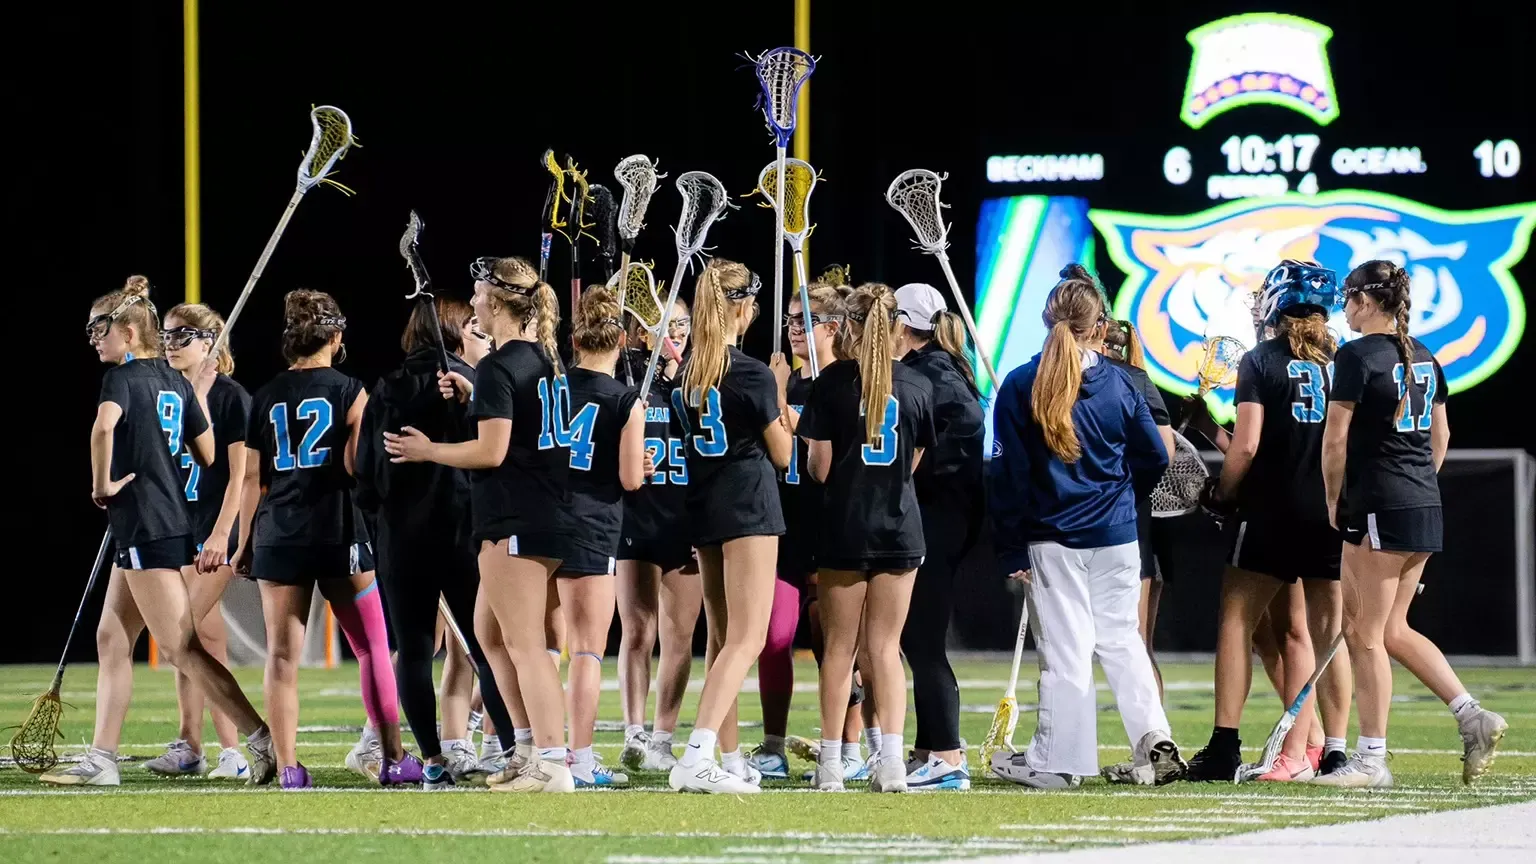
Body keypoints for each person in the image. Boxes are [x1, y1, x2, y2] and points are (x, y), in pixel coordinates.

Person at [43, 277, 275, 787]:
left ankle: (259, 739)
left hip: (147, 523)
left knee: (181, 647)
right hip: (156, 523)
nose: (92, 339)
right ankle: (102, 758)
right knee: (111, 636)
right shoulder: (174, 382)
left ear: (128, 333)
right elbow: (208, 453)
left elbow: (102, 427)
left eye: (98, 329)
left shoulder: (123, 379)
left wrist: (104, 482)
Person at [384, 255, 576, 793]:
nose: (472, 305)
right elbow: (519, 427)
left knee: (523, 644)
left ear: (497, 304)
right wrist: (474, 395)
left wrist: (427, 450)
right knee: (489, 637)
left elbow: (492, 452)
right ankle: (525, 748)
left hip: (515, 515)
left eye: (477, 297)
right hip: (543, 510)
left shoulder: (498, 364)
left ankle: (553, 762)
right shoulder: (542, 357)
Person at [987, 264, 1182, 789]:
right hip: (1117, 537)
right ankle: (1154, 738)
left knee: (1067, 650)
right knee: (1122, 640)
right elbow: (1154, 456)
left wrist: (1010, 549)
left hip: (1052, 538)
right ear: (1098, 325)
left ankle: (1057, 763)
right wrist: (1122, 499)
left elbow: (1007, 477)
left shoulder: (1022, 382)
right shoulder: (1120, 381)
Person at [1315, 259, 1507, 787]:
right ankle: (1472, 715)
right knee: (1392, 630)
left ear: (1367, 302)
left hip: (1380, 503)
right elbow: (1440, 439)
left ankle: (1372, 759)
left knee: (1365, 635)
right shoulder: (1424, 355)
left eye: (1349, 299)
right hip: (1422, 502)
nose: (1345, 310)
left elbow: (1335, 441)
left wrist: (1334, 499)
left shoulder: (1356, 355)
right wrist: (1416, 484)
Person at [231, 289, 415, 790]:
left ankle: (289, 768)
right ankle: (393, 758)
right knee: (373, 646)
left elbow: (253, 480)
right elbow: (357, 466)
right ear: (334, 337)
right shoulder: (350, 389)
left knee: (281, 656)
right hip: (337, 529)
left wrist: (245, 542)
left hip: (278, 533)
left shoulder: (264, 395)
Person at [1183, 261, 1351, 782]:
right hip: (1331, 514)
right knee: (1318, 634)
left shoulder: (1261, 359)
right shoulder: (1346, 362)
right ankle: (1334, 750)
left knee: (1237, 622)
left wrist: (1224, 493)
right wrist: (1213, 430)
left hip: (1272, 512)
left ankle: (1225, 744)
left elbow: (1251, 445)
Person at [355, 294, 518, 789]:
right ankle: (515, 747)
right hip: (462, 529)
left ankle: (431, 760)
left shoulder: (387, 388)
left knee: (415, 648)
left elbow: (364, 477)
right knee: (487, 646)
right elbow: (495, 453)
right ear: (451, 330)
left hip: (401, 535)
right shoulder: (468, 386)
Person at [799, 282, 936, 792]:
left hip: (845, 526)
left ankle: (832, 763)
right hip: (899, 527)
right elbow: (912, 465)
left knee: (838, 651)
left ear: (850, 328)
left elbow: (819, 467)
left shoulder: (832, 382)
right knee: (885, 649)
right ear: (898, 326)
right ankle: (892, 765)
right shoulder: (919, 386)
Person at [666, 258, 795, 794]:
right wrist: (781, 393)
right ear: (740, 307)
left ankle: (731, 757)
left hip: (704, 509)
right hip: (747, 507)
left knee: (722, 640)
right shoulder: (751, 372)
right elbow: (784, 455)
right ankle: (696, 755)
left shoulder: (688, 369)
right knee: (747, 637)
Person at [748, 282, 868, 782]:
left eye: (803, 321)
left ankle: (848, 746)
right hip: (782, 523)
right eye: (790, 320)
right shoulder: (783, 380)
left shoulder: (841, 384)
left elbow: (811, 436)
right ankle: (773, 744)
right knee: (774, 639)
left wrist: (775, 393)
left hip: (829, 525)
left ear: (833, 328)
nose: (793, 329)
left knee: (836, 647)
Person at [137, 304, 253, 781]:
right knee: (200, 638)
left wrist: (224, 534)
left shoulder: (230, 397)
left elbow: (242, 477)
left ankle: (233, 750)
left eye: (182, 335)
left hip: (210, 531)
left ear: (210, 342)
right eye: (166, 335)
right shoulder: (167, 394)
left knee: (181, 636)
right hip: (174, 527)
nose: (170, 343)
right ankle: (193, 744)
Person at [890, 282, 985, 792]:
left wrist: (919, 470)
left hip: (935, 521)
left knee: (923, 640)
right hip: (946, 519)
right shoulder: (942, 369)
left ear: (904, 324)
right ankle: (929, 748)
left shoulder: (932, 376)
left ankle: (947, 754)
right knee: (914, 637)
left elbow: (962, 428)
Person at [557, 286, 649, 787]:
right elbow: (631, 479)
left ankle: (523, 746)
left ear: (574, 338)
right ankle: (580, 758)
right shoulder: (624, 399)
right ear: (620, 340)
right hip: (592, 527)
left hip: (541, 523)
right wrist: (640, 464)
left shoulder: (550, 387)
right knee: (588, 651)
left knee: (538, 649)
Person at [616, 300, 703, 774]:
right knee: (636, 629)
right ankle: (634, 732)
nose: (677, 333)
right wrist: (627, 460)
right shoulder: (627, 379)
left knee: (678, 634)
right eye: (666, 326)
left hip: (683, 518)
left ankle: (664, 738)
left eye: (682, 324)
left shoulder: (697, 380)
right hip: (635, 513)